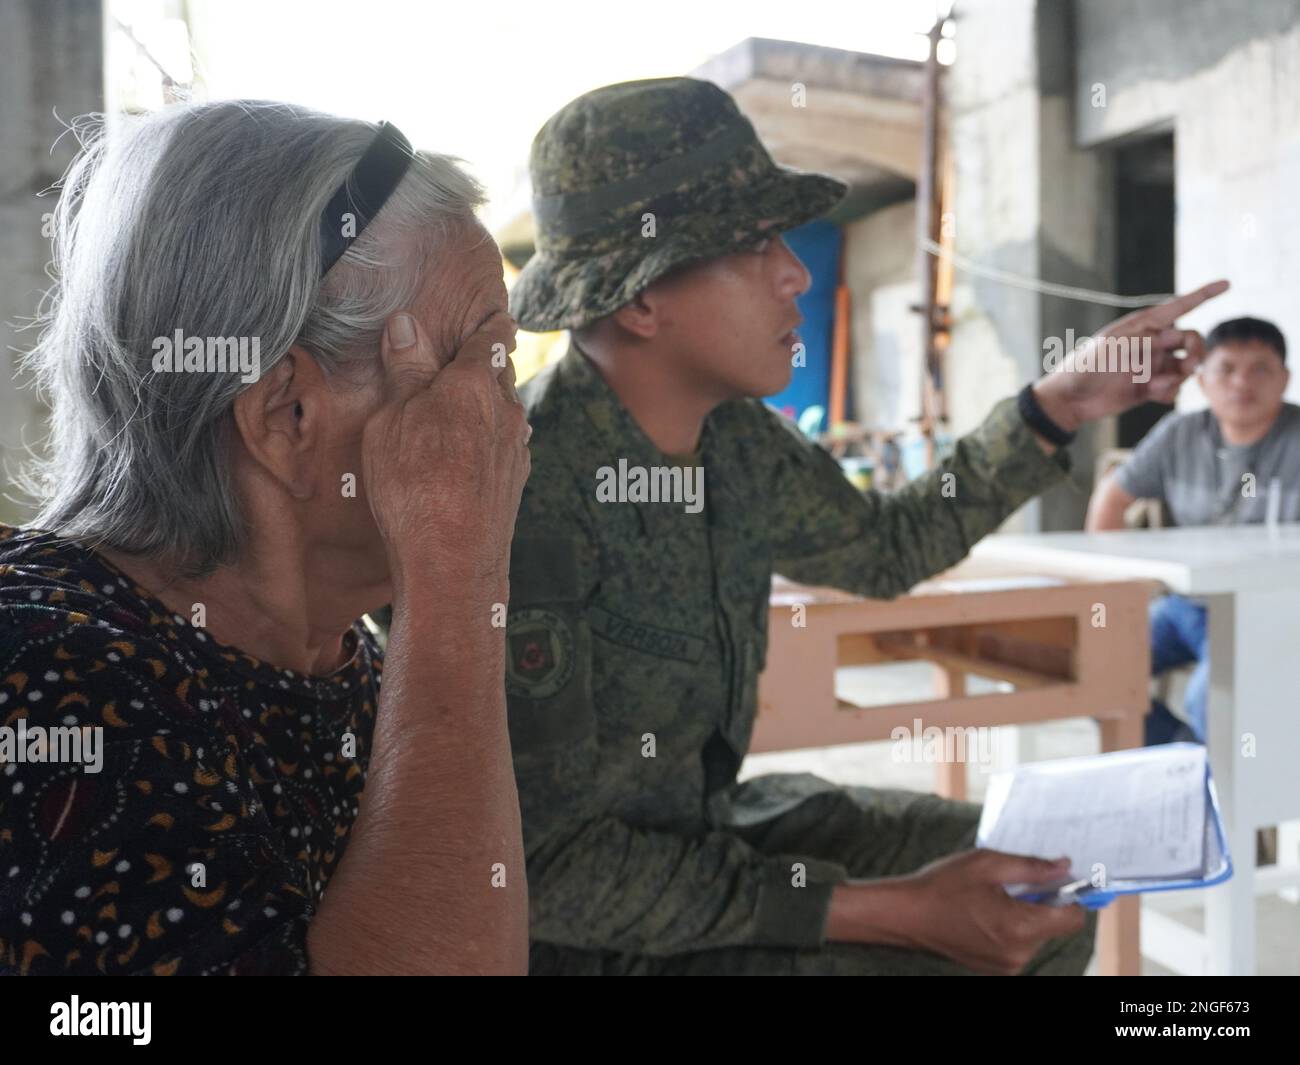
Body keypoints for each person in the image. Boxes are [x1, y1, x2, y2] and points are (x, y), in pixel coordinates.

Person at [504, 76, 1227, 975]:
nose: (795, 275)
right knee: (946, 943)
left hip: (709, 833)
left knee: (1040, 883)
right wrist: (892, 911)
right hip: (585, 931)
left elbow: (885, 548)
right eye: (755, 243)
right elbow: (541, 868)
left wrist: (1057, 406)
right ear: (641, 299)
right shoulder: (522, 494)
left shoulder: (733, 439)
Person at [0, 102, 530, 974]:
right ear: (288, 415)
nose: (511, 425)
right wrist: (456, 571)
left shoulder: (340, 660)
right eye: (485, 363)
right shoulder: (45, 674)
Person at [1087, 317, 1299, 743]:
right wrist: (1119, 587)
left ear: (1285, 379)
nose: (1242, 382)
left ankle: (1223, 786)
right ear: (1202, 381)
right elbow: (1112, 497)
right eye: (1226, 369)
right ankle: (1187, 762)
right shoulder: (1179, 434)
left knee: (1213, 698)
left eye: (1260, 369)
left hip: (1273, 613)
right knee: (1094, 670)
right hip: (1187, 605)